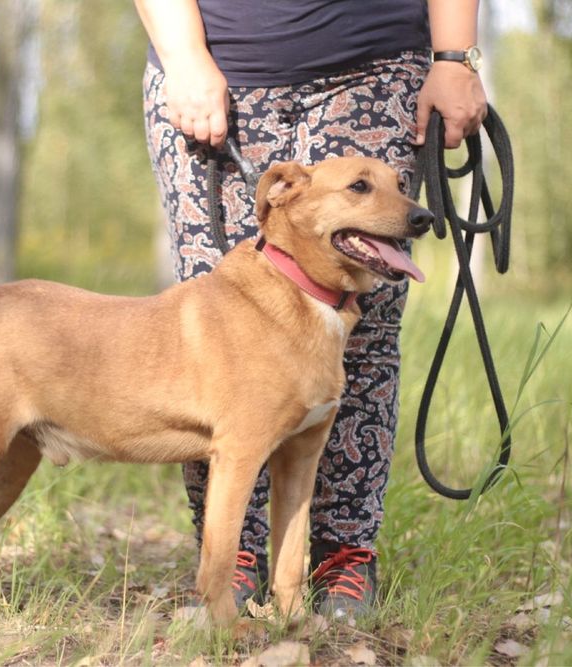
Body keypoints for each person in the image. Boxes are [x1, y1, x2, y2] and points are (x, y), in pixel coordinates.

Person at [133, 0, 488, 618]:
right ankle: (233, 558)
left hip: (374, 62)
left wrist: (454, 56)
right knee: (210, 331)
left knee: (366, 325)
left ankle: (340, 557)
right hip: (217, 60)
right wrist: (184, 54)